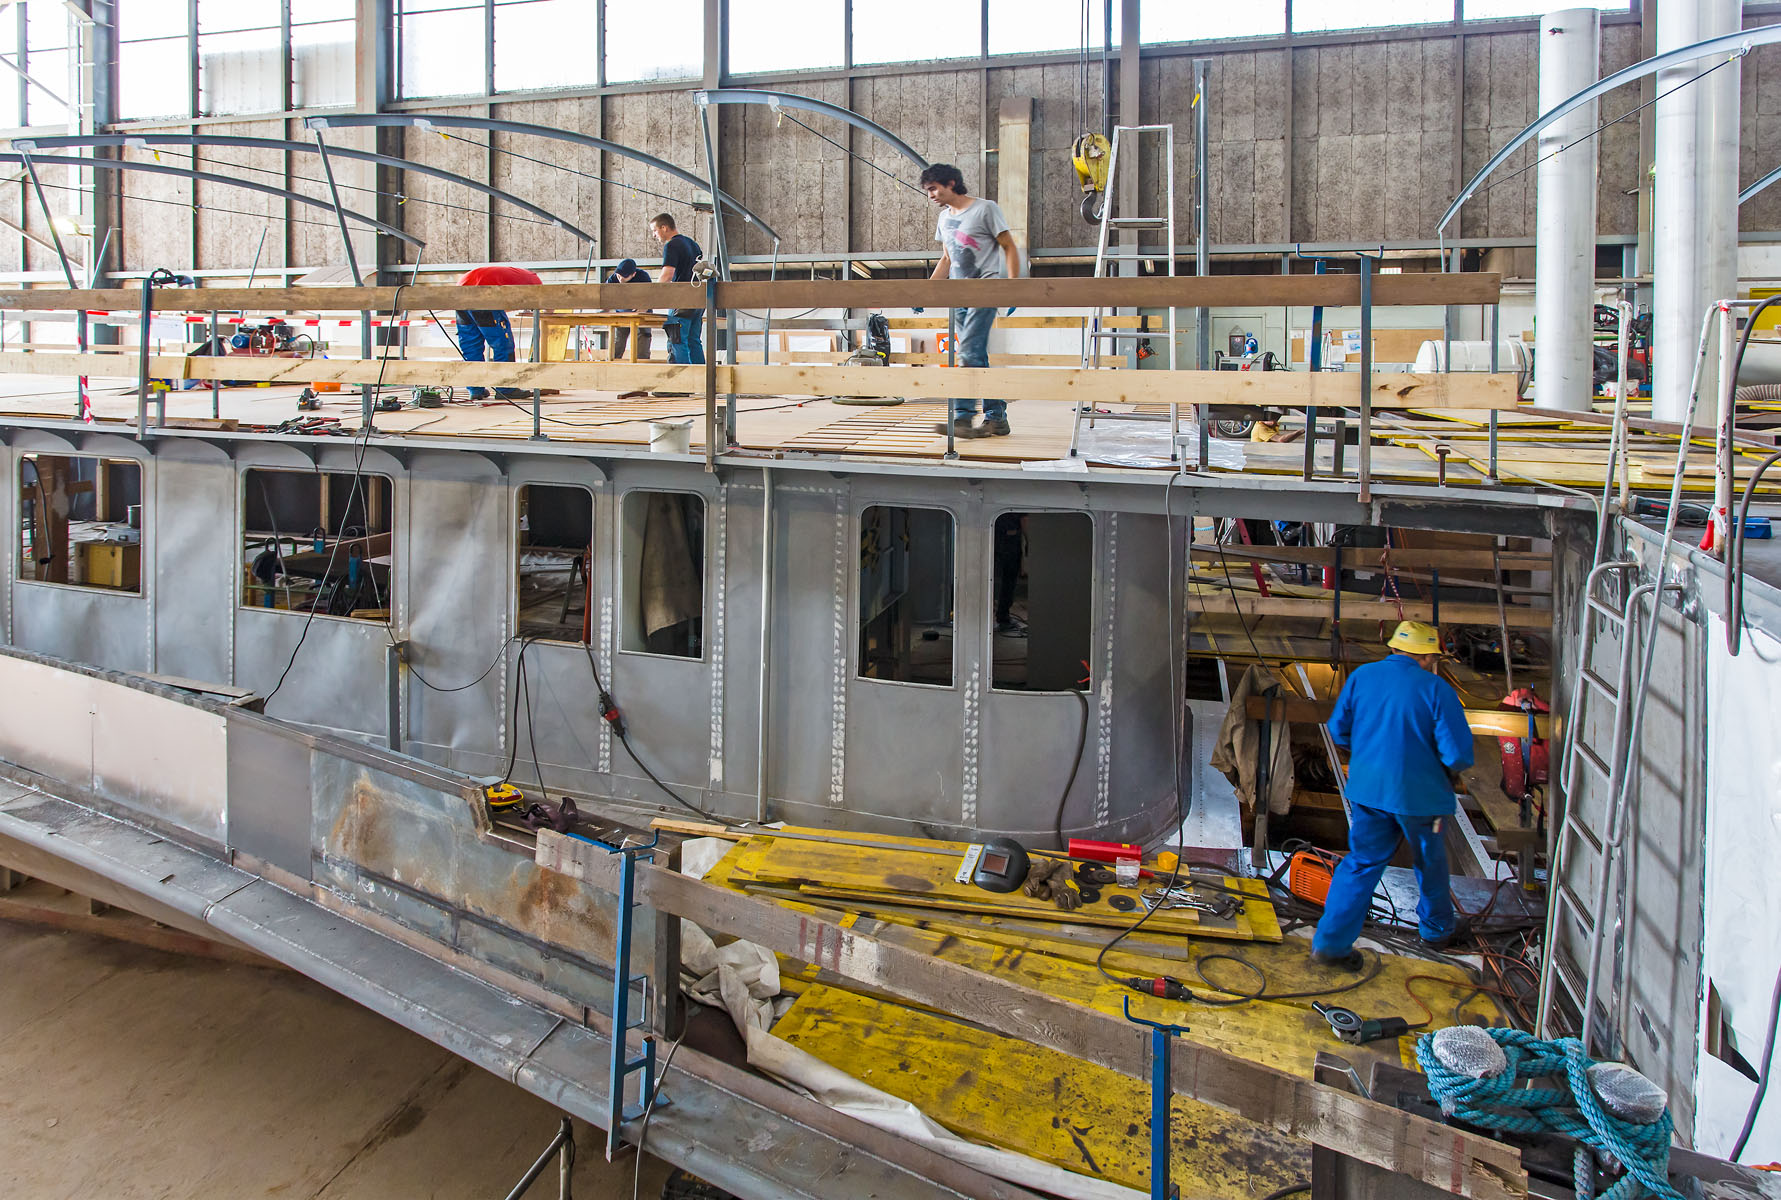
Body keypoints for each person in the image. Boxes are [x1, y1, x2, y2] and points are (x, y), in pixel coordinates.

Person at [1310, 621, 1476, 970]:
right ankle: (1436, 931)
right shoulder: (1436, 689)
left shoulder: (1362, 676)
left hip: (1368, 791)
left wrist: (1371, 753)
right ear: (1427, 656)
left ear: (1395, 648)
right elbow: (1458, 755)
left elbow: (1339, 730)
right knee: (1430, 863)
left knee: (1361, 863)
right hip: (1421, 798)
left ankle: (1330, 945)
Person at [920, 163, 1020, 439]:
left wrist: (1014, 287)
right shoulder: (944, 219)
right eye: (927, 191)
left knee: (968, 354)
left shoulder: (985, 209)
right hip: (958, 295)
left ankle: (962, 418)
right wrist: (926, 292)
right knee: (976, 356)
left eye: (933, 189)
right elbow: (947, 258)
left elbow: (1009, 246)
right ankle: (997, 418)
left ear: (951, 183)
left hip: (984, 290)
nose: (930, 195)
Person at [456, 264, 540, 400]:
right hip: (483, 293)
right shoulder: (535, 282)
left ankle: (475, 390)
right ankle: (505, 389)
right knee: (502, 344)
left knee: (470, 345)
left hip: (459, 293)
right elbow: (547, 306)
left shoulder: (518, 276)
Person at [649, 214, 704, 365]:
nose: (654, 235)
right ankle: (701, 377)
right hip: (698, 298)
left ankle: (681, 379)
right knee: (693, 341)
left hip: (681, 299)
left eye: (655, 230)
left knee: (676, 340)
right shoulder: (693, 244)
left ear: (664, 228)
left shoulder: (672, 245)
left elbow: (667, 275)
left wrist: (650, 297)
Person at [605, 257, 652, 361]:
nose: (620, 279)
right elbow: (605, 296)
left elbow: (651, 295)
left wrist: (644, 307)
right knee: (618, 342)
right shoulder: (613, 279)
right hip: (622, 315)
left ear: (633, 274)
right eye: (619, 275)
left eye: (624, 276)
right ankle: (611, 364)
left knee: (643, 342)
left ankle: (642, 365)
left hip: (642, 315)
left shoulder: (643, 277)